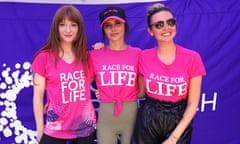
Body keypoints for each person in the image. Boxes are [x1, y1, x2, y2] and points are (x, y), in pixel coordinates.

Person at [131, 3, 206, 144]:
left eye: (170, 22)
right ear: (150, 31)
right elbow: (140, 92)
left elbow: (193, 104)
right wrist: (103, 52)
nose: (166, 28)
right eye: (159, 24)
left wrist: (174, 138)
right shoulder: (143, 57)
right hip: (149, 118)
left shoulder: (192, 58)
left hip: (179, 120)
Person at [31, 5, 96, 144]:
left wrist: (101, 50)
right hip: (55, 128)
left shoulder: (88, 57)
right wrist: (39, 129)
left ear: (79, 28)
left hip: (84, 127)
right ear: (56, 28)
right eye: (62, 25)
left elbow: (91, 82)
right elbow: (37, 96)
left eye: (73, 25)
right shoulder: (43, 58)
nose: (68, 30)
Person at [89, 6, 144, 144]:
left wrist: (126, 93)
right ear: (103, 30)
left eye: (117, 23)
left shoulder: (138, 54)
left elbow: (142, 90)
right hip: (106, 119)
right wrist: (102, 91)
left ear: (125, 25)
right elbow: (81, 83)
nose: (113, 29)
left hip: (131, 116)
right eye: (108, 25)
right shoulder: (95, 55)